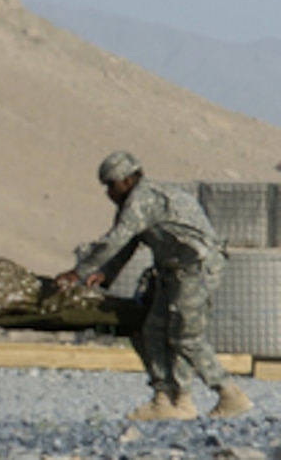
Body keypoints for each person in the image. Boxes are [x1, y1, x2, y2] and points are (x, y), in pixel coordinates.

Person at [55, 150, 253, 421]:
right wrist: (106, 273)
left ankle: (229, 394)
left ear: (126, 180)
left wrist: (76, 272)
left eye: (110, 185)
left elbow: (115, 240)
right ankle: (168, 400)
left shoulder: (143, 199)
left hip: (195, 268)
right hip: (173, 271)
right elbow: (127, 243)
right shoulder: (133, 204)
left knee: (186, 336)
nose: (108, 193)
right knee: (151, 330)